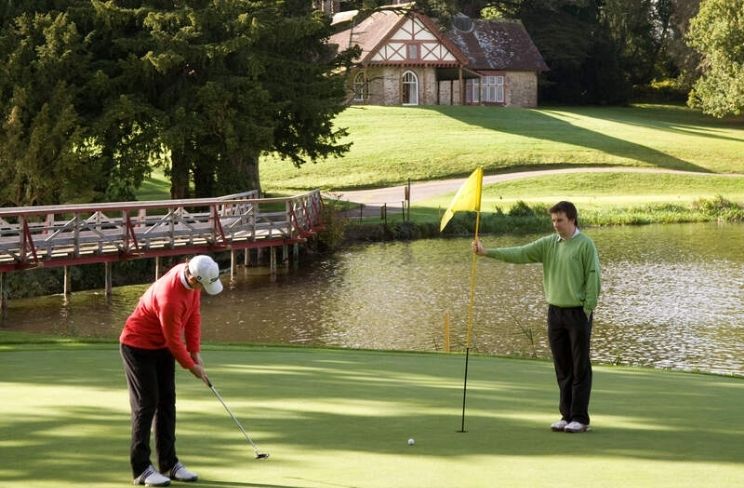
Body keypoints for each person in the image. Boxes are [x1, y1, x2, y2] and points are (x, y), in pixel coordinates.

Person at [472, 201, 600, 434]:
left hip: (578, 312)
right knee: (562, 366)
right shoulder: (549, 244)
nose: (555, 225)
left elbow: (593, 277)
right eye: (553, 220)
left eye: (559, 220)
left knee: (580, 366)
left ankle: (580, 418)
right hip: (555, 312)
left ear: (572, 219)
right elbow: (520, 253)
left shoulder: (585, 245)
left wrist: (588, 307)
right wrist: (487, 252)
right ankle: (566, 415)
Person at [120, 255, 224, 486]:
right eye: (203, 285)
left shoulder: (192, 277)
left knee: (167, 402)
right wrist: (192, 367)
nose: (203, 290)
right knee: (146, 404)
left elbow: (194, 316)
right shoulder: (170, 297)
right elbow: (175, 342)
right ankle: (141, 469)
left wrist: (196, 352)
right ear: (193, 277)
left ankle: (169, 463)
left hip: (161, 346)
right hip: (137, 346)